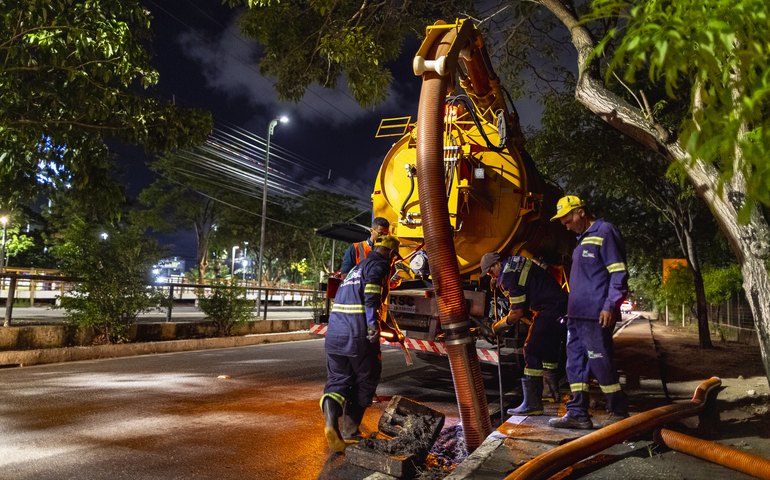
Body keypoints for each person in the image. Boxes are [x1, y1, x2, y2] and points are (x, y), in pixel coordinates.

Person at [547, 195, 629, 429]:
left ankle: (619, 410)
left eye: (568, 220)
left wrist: (610, 305)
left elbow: (618, 273)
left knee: (600, 363)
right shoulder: (582, 240)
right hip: (576, 316)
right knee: (574, 365)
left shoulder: (605, 232)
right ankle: (577, 413)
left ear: (581, 212)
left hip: (595, 315)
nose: (566, 226)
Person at [320, 234, 401, 452]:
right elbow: (371, 295)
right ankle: (349, 431)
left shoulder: (356, 268)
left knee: (337, 380)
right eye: (394, 257)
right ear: (391, 254)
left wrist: (387, 328)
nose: (393, 262)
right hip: (357, 334)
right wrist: (373, 326)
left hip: (335, 333)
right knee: (367, 378)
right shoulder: (379, 266)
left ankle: (331, 425)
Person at [480, 252, 567, 416]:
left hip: (548, 309)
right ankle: (550, 391)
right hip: (559, 305)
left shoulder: (508, 277)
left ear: (497, 264)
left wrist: (498, 326)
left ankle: (532, 404)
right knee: (548, 348)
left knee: (531, 349)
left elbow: (516, 313)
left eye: (491, 272)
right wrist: (499, 280)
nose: (491, 275)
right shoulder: (514, 261)